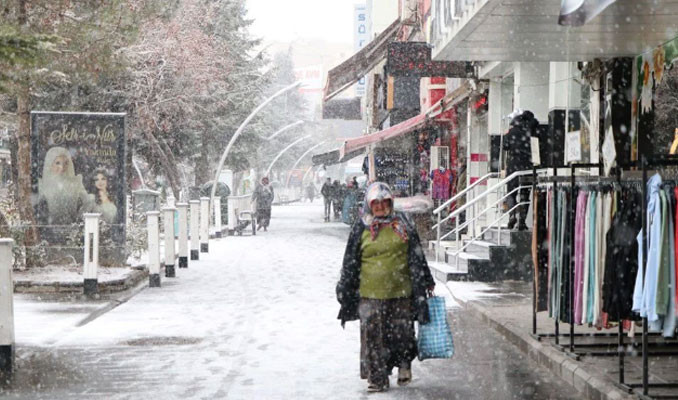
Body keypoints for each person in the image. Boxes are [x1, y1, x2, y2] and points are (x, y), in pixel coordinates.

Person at [336, 182, 435, 392]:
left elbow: (416, 255)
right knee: (373, 337)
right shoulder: (361, 227)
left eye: (384, 202)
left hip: (401, 292)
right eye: (376, 203)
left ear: (391, 202)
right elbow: (351, 260)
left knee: (402, 334)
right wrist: (345, 286)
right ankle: (377, 378)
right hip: (370, 294)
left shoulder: (403, 224)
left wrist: (427, 280)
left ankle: (404, 363)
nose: (380, 206)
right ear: (369, 204)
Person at [37, 146, 92, 225]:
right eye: (57, 163)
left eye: (66, 163)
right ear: (50, 164)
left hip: (72, 229)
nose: (62, 167)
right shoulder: (41, 184)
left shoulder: (76, 182)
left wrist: (78, 220)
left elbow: (88, 202)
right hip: (48, 230)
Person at [502, 110, 537, 231]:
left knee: (511, 193)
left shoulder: (512, 132)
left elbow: (505, 146)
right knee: (525, 195)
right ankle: (522, 221)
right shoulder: (533, 131)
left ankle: (512, 215)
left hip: (513, 166)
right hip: (527, 167)